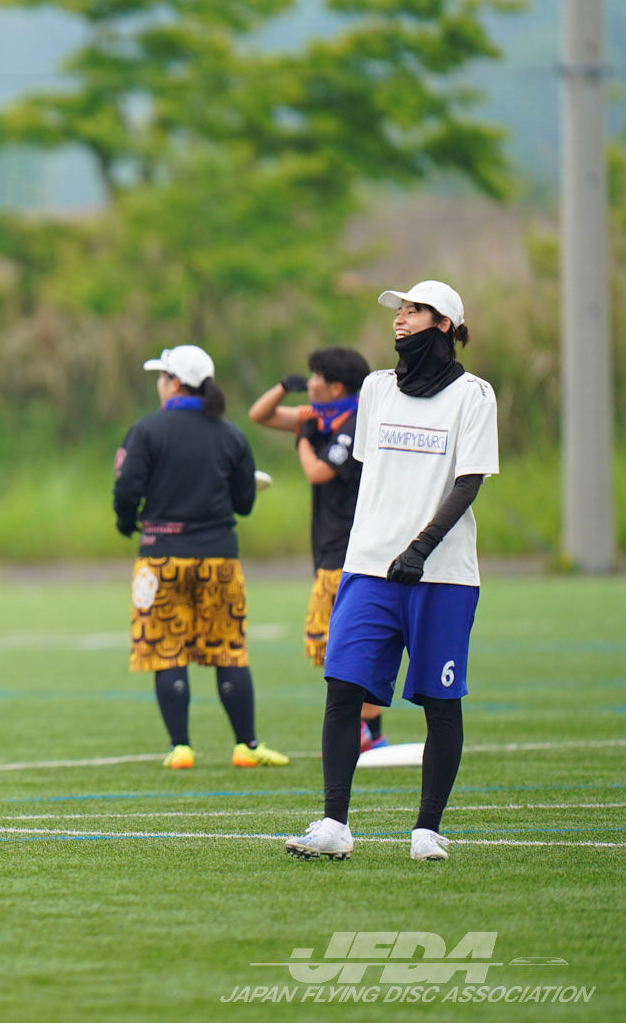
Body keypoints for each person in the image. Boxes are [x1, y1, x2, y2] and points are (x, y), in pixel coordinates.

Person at [285, 280, 497, 862]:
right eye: (399, 311)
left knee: (440, 703)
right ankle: (334, 824)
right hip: (369, 568)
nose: (400, 319)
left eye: (414, 310)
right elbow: (371, 474)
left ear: (444, 324)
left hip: (443, 574)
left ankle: (427, 830)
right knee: (342, 687)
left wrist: (421, 548)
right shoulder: (376, 388)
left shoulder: (475, 395)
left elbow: (468, 482)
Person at [113, 344, 290, 770]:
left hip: (161, 560)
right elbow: (244, 503)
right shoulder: (231, 435)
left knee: (166, 650)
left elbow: (126, 489)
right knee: (228, 650)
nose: (159, 384)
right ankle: (246, 745)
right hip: (218, 560)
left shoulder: (146, 430)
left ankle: (181, 748)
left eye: (162, 377)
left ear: (174, 383)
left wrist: (127, 522)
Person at [248, 347, 390, 750]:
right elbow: (260, 415)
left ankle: (365, 729)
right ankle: (369, 730)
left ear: (337, 387)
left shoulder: (355, 421)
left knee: (339, 643)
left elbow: (318, 471)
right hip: (330, 545)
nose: (309, 384)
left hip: (349, 546)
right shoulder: (322, 417)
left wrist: (303, 440)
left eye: (315, 378)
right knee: (344, 643)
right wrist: (283, 387)